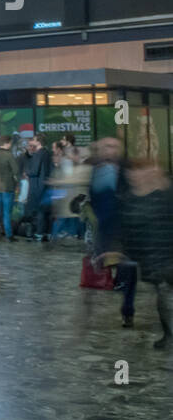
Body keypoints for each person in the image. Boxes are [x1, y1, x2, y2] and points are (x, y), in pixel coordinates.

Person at [118, 161, 173, 349]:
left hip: (163, 257)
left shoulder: (165, 194)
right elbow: (128, 230)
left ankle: (169, 336)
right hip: (155, 259)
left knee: (165, 294)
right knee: (164, 294)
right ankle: (169, 336)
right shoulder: (131, 199)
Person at [88, 138, 136, 326]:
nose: (111, 150)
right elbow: (94, 198)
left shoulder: (127, 169)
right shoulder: (96, 170)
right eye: (107, 147)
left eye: (114, 146)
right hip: (105, 229)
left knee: (129, 268)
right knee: (106, 266)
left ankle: (128, 310)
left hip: (126, 226)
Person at [19, 136, 52, 241]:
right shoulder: (47, 153)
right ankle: (45, 232)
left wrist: (26, 172)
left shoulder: (39, 154)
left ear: (38, 142)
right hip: (44, 185)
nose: (31, 142)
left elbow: (34, 171)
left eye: (33, 140)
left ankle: (39, 233)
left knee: (38, 211)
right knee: (44, 210)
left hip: (37, 186)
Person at [0, 136, 17, 241]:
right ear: (8, 143)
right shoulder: (9, 156)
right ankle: (9, 235)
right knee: (6, 213)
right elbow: (16, 171)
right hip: (7, 187)